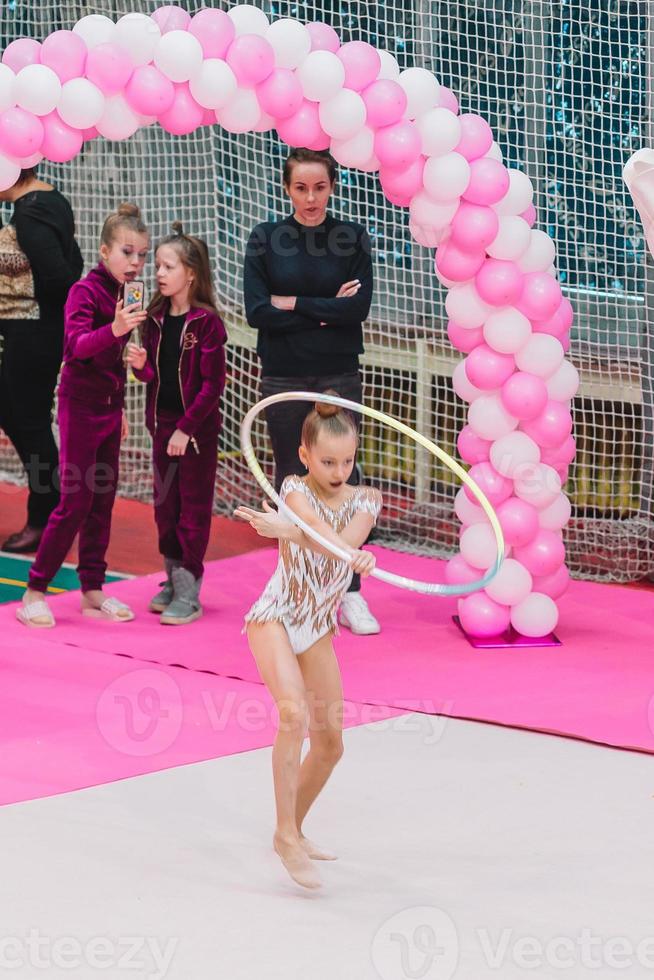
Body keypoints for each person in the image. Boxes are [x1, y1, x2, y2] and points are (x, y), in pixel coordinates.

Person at [234, 395, 382, 889]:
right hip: (276, 615)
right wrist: (297, 533)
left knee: (331, 744)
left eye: (347, 460)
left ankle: (292, 829)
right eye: (327, 461)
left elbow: (350, 538)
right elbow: (317, 528)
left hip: (318, 626)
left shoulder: (368, 499)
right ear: (304, 456)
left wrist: (349, 552)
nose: (339, 471)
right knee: (293, 714)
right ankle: (284, 835)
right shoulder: (293, 489)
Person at [243, 147, 381, 636]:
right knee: (291, 480)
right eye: (301, 187)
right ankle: (296, 590)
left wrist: (295, 303)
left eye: (319, 187)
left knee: (342, 476)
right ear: (287, 188)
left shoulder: (351, 238)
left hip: (337, 372)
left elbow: (357, 310)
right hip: (282, 374)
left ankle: (349, 593)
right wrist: (324, 309)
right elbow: (258, 312)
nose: (310, 198)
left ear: (332, 186)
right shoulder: (265, 238)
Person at [17, 203, 149, 628]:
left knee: (103, 501)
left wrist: (133, 373)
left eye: (142, 255)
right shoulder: (84, 292)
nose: (135, 263)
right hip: (79, 406)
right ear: (104, 251)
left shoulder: (128, 296)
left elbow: (123, 365)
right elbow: (75, 347)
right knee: (74, 500)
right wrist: (114, 329)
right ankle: (35, 589)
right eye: (127, 252)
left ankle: (92, 588)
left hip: (111, 408)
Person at [127, 223, 227, 625]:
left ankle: (190, 590)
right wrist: (141, 368)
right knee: (165, 508)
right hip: (162, 427)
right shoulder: (154, 318)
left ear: (191, 273)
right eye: (158, 267)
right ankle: (172, 579)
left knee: (192, 509)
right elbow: (155, 377)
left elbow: (212, 385)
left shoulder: (207, 325)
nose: (159, 274)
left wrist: (186, 429)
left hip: (195, 434)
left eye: (168, 267)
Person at [0, 166, 83, 552]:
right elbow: (75, 261)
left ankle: (46, 518)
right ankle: (51, 511)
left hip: (31, 335)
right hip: (32, 332)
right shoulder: (50, 200)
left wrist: (39, 314)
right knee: (18, 417)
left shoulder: (31, 214)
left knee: (29, 423)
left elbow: (61, 278)